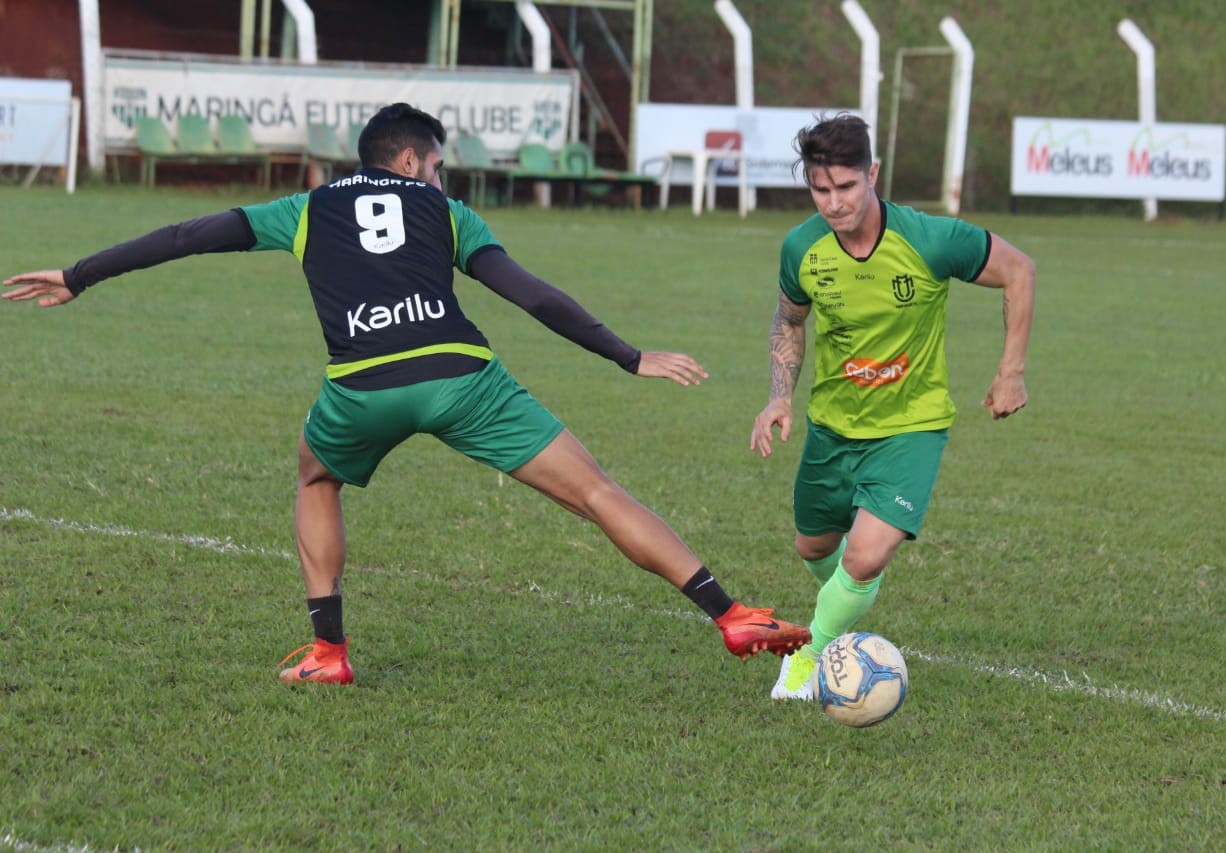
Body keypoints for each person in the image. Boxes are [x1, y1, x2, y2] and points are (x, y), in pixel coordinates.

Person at [4, 102, 810, 685]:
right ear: (404, 162)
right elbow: (531, 295)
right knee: (597, 491)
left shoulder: (305, 208)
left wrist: (79, 274)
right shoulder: (449, 213)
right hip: (463, 379)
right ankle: (730, 614)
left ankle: (328, 651)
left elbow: (187, 236)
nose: (439, 175)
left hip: (362, 389)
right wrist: (628, 356)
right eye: (433, 163)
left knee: (316, 476)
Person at [750, 113, 1036, 700]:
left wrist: (1011, 372)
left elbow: (1019, 270)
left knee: (865, 557)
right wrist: (779, 396)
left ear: (873, 174)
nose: (833, 203)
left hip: (912, 426)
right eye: (820, 190)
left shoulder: (930, 240)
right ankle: (842, 618)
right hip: (833, 426)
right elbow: (790, 318)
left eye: (846, 187)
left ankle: (808, 655)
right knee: (814, 547)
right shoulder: (801, 247)